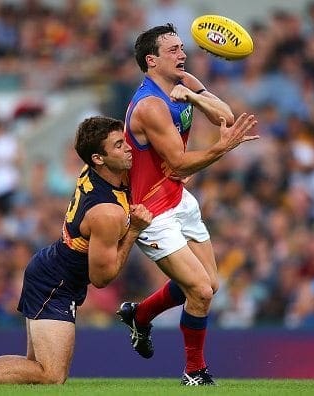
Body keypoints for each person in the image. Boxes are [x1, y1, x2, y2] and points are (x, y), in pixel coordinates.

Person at [0, 116, 152, 385]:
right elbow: (102, 279)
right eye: (118, 145)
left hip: (53, 270)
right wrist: (134, 230)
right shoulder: (106, 213)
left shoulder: (96, 171)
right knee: (51, 375)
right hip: (55, 283)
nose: (128, 148)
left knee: (36, 369)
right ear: (98, 159)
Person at [116, 23, 258, 386]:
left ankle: (140, 315)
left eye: (182, 48)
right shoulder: (149, 106)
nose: (183, 54)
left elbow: (224, 114)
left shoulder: (184, 81)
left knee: (211, 284)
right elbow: (178, 162)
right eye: (174, 50)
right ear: (151, 60)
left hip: (179, 198)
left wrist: (194, 97)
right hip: (152, 211)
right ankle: (194, 371)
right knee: (200, 291)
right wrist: (222, 148)